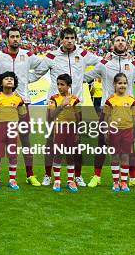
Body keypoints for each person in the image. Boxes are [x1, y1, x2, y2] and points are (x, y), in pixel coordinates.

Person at [33, 27, 102, 187]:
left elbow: (100, 63)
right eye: (67, 38)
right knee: (50, 141)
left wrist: (86, 78)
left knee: (76, 143)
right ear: (61, 39)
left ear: (75, 39)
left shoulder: (83, 54)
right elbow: (36, 73)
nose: (70, 41)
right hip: (55, 104)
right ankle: (47, 175)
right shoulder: (52, 56)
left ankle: (77, 176)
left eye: (72, 38)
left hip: (75, 105)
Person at [0, 26, 46, 187]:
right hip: (3, 104)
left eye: (17, 36)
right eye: (12, 36)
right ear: (7, 38)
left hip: (23, 101)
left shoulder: (28, 55)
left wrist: (26, 79)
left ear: (20, 38)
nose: (15, 39)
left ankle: (30, 174)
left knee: (25, 140)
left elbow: (43, 67)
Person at [82, 34, 135, 189]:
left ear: (127, 45)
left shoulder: (132, 64)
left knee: (129, 149)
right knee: (102, 144)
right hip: (107, 110)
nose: (120, 42)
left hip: (127, 110)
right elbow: (86, 77)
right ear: (112, 45)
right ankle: (97, 176)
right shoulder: (104, 64)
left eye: (123, 40)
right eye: (117, 40)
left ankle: (133, 179)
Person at [0, 71, 26, 190]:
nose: (9, 80)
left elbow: (23, 114)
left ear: (14, 83)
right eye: (6, 79)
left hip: (12, 128)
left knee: (12, 154)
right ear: (1, 83)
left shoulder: (18, 98)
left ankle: (12, 180)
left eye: (11, 79)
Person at [100, 73, 135, 192]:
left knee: (125, 156)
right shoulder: (110, 100)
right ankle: (116, 182)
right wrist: (106, 131)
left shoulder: (131, 100)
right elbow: (106, 118)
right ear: (114, 84)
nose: (122, 85)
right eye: (120, 83)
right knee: (115, 156)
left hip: (128, 131)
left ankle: (124, 182)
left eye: (124, 83)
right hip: (114, 131)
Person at [47, 74, 82, 193]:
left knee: (70, 155)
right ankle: (57, 180)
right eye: (58, 84)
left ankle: (70, 181)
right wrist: (62, 105)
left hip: (71, 130)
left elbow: (79, 118)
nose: (59, 87)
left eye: (62, 84)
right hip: (59, 129)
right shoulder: (53, 98)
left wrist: (77, 133)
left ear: (69, 86)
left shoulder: (75, 100)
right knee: (58, 154)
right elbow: (51, 115)